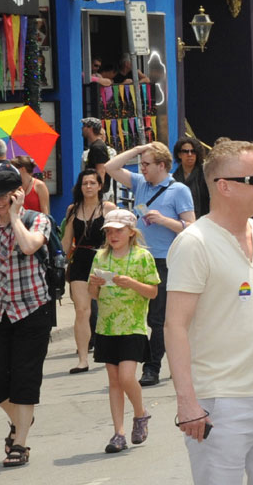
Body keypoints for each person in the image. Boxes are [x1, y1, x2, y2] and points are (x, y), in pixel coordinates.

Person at [166, 138, 253, 483]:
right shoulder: (194, 243)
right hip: (220, 404)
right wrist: (187, 404)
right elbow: (175, 326)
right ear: (223, 187)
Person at [0, 163, 54, 468]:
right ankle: (21, 421)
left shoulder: (36, 219)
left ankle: (20, 444)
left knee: (25, 379)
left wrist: (16, 216)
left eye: (4, 195)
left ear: (18, 193)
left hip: (33, 309)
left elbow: (30, 247)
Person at [104, 141, 195, 387]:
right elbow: (111, 167)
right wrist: (138, 149)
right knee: (137, 314)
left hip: (164, 259)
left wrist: (166, 220)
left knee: (157, 318)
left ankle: (152, 367)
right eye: (141, 164)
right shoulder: (140, 183)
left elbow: (192, 227)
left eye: (146, 164)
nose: (141, 168)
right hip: (138, 257)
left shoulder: (179, 190)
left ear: (162, 166)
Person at [88, 209, 159, 453]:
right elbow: (93, 295)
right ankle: (118, 432)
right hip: (106, 327)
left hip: (133, 325)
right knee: (114, 381)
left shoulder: (142, 257)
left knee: (128, 377)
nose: (113, 235)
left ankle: (140, 414)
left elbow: (153, 292)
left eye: (118, 230)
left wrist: (132, 284)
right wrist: (94, 285)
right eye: (109, 231)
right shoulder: (100, 257)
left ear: (131, 232)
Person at [64, 169, 115, 372]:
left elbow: (118, 236)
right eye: (85, 183)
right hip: (81, 260)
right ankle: (83, 359)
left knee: (107, 307)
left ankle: (111, 352)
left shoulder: (109, 208)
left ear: (100, 186)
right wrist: (60, 261)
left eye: (92, 183)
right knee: (81, 310)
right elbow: (67, 240)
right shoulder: (73, 209)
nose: (88, 187)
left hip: (104, 260)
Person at [172, 137, 211, 220]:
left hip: (204, 221)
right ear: (179, 155)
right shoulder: (174, 178)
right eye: (185, 151)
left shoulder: (206, 174)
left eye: (193, 151)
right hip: (181, 223)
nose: (190, 154)